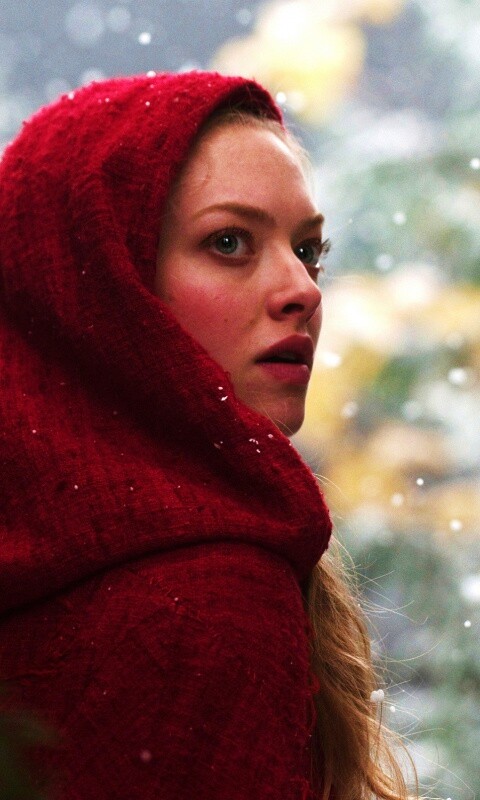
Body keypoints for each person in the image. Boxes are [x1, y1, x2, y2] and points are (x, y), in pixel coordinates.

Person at [0, 71, 413, 799]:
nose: (303, 289)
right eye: (230, 242)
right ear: (100, 290)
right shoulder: (203, 607)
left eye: (309, 251)